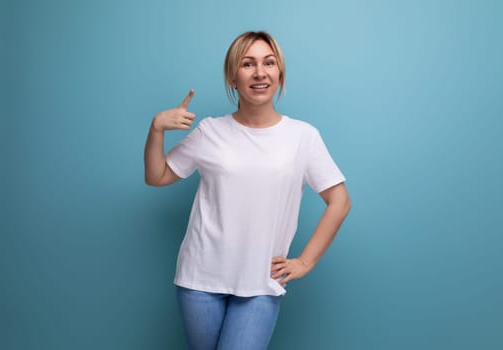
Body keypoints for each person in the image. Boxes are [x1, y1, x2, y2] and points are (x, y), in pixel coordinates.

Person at [144, 31, 351, 350]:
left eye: (269, 63)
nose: (259, 72)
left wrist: (305, 262)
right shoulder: (209, 131)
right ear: (232, 78)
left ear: (279, 73)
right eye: (248, 64)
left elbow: (339, 201)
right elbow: (157, 176)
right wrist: (156, 128)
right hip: (199, 279)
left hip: (260, 282)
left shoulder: (302, 137)